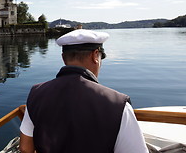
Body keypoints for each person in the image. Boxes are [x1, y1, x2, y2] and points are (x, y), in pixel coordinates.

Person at [19, 29, 148, 153]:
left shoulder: (36, 93)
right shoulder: (118, 104)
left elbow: (25, 148)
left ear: (64, 58)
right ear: (95, 56)